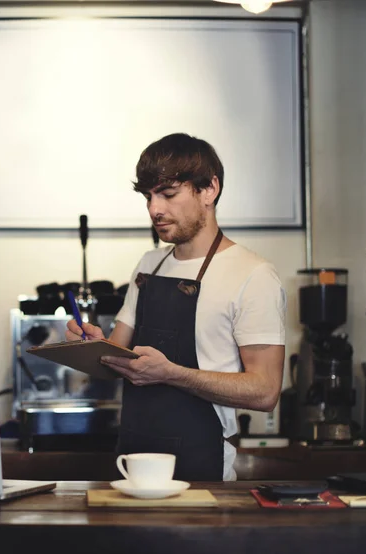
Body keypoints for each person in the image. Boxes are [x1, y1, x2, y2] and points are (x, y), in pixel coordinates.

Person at [66, 133, 286, 481]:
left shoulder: (253, 275)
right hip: (133, 463)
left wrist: (174, 374)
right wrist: (93, 346)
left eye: (168, 194)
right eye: (149, 196)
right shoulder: (148, 265)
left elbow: (265, 390)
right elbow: (118, 358)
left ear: (209, 190)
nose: (155, 209)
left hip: (202, 464)